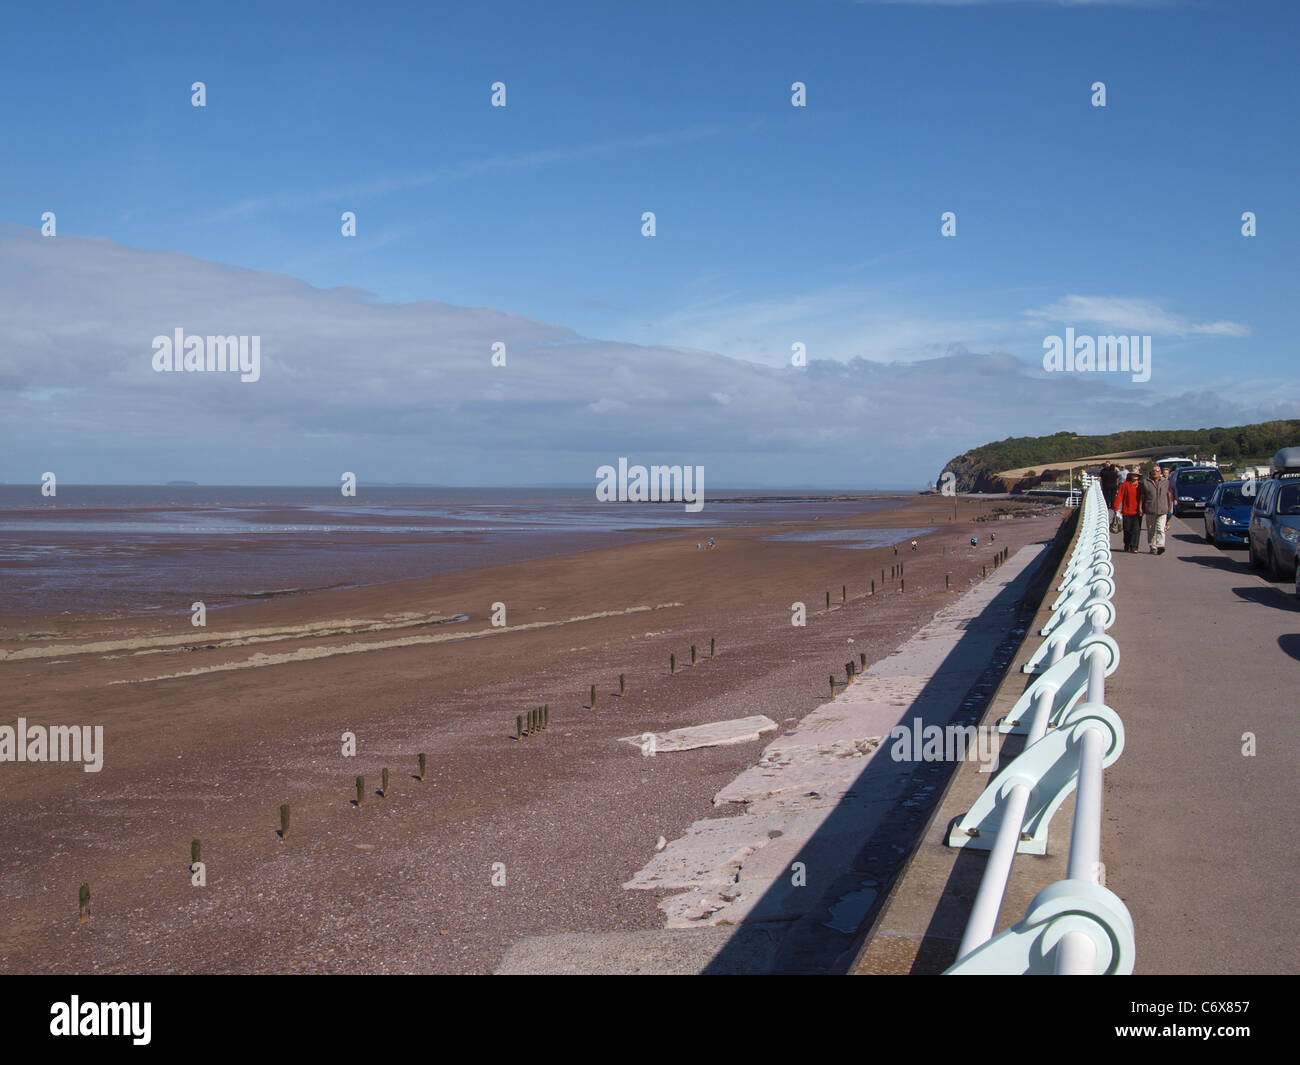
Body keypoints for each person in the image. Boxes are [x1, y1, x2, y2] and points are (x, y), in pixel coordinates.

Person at [1139, 465, 1173, 555]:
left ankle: (1160, 546)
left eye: (1157, 471)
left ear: (1160, 472)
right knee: (1151, 530)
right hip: (1150, 509)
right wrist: (1140, 507)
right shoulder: (1146, 482)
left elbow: (1169, 495)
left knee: (1160, 529)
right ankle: (1152, 546)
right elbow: (1142, 496)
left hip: (1162, 509)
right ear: (1151, 472)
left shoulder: (1166, 482)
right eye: (1154, 471)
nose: (1155, 472)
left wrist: (1170, 506)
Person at [1114, 471, 1142, 553]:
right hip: (1127, 511)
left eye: (1137, 475)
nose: (1135, 476)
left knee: (1136, 530)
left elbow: (1144, 497)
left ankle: (1134, 547)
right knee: (1127, 530)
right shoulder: (1125, 485)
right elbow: (1120, 496)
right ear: (1130, 476)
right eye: (1134, 475)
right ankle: (1127, 544)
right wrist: (1116, 507)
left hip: (1137, 511)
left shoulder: (1141, 486)